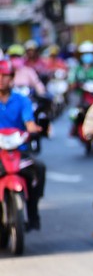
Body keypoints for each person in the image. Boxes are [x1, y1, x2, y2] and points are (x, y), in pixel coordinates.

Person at [0, 59, 46, 230]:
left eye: (5, 76)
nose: (2, 79)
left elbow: (29, 122)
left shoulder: (22, 100)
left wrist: (34, 129)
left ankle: (33, 212)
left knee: (39, 168)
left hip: (18, 151)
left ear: (11, 77)